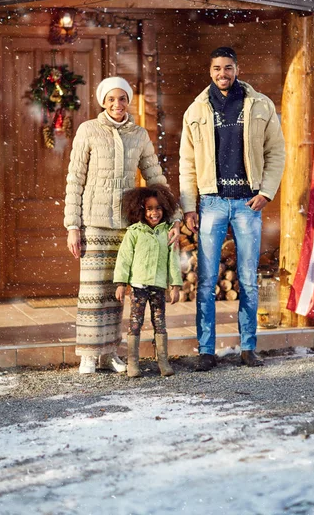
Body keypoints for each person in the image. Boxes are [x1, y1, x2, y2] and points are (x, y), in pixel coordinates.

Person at [179, 47, 285, 371]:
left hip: (247, 203)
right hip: (211, 202)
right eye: (216, 68)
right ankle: (206, 350)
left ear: (237, 68)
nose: (222, 73)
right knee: (208, 280)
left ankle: (248, 347)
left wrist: (266, 192)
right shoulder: (196, 110)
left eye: (227, 68)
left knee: (248, 280)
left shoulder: (260, 105)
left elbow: (276, 152)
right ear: (210, 71)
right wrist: (188, 206)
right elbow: (187, 163)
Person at [65, 76, 180, 375]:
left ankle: (110, 353)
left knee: (118, 291)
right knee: (93, 290)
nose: (118, 104)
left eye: (123, 99)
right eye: (112, 99)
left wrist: (174, 216)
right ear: (103, 101)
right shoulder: (88, 130)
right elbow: (75, 179)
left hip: (126, 226)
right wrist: (72, 226)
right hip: (94, 222)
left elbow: (154, 176)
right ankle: (89, 353)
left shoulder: (139, 135)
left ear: (129, 101)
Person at [114, 184, 182, 378]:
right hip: (138, 286)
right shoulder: (134, 232)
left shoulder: (167, 232)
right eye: (149, 208)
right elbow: (124, 259)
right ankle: (133, 362)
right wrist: (120, 283)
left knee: (160, 323)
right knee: (135, 323)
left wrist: (175, 285)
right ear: (140, 209)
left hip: (158, 287)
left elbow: (173, 260)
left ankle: (162, 360)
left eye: (158, 208)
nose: (154, 213)